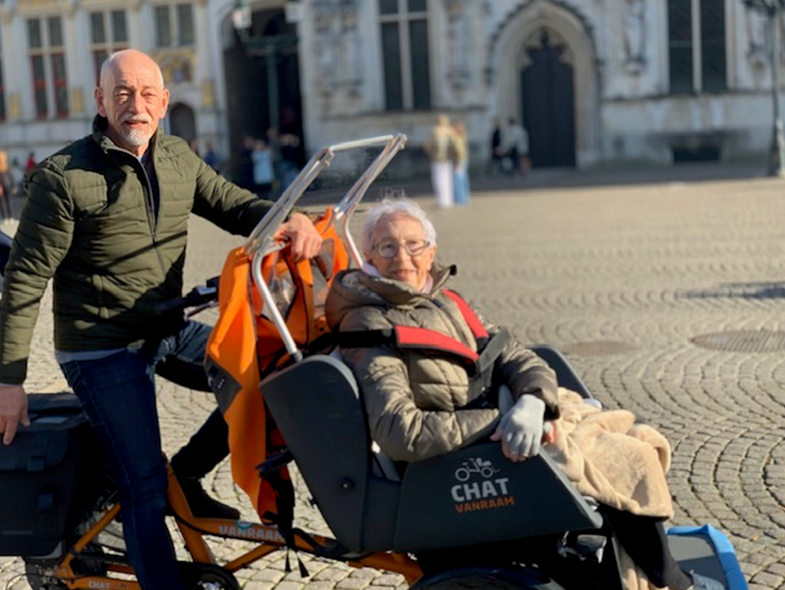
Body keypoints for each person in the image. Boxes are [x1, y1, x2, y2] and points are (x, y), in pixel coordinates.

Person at [0, 49, 322, 590]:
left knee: (268, 379)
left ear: (165, 102)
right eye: (122, 93)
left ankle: (190, 477)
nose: (136, 105)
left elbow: (233, 204)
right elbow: (25, 281)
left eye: (148, 93)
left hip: (164, 328)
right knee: (143, 485)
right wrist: (9, 382)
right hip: (100, 348)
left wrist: (287, 216)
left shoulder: (176, 155)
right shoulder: (63, 177)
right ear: (100, 100)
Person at [324, 197, 723, 590]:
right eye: (387, 246)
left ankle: (647, 573)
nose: (402, 258)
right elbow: (401, 431)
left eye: (414, 245)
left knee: (631, 439)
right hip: (453, 468)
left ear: (432, 252)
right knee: (628, 456)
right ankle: (671, 581)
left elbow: (514, 355)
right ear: (369, 257)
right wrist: (502, 421)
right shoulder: (370, 326)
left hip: (497, 430)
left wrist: (533, 401)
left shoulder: (444, 299)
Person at [424, 114, 458, 209]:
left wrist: (431, 154)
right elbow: (456, 144)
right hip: (448, 159)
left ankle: (441, 200)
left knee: (439, 180)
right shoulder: (450, 132)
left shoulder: (435, 131)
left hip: (437, 159)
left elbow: (428, 145)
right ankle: (448, 200)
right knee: (448, 180)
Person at [451, 120, 470, 207]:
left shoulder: (457, 138)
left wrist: (457, 161)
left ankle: (461, 200)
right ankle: (465, 199)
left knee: (458, 180)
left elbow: (459, 150)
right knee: (463, 179)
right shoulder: (462, 136)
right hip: (463, 159)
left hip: (459, 160)